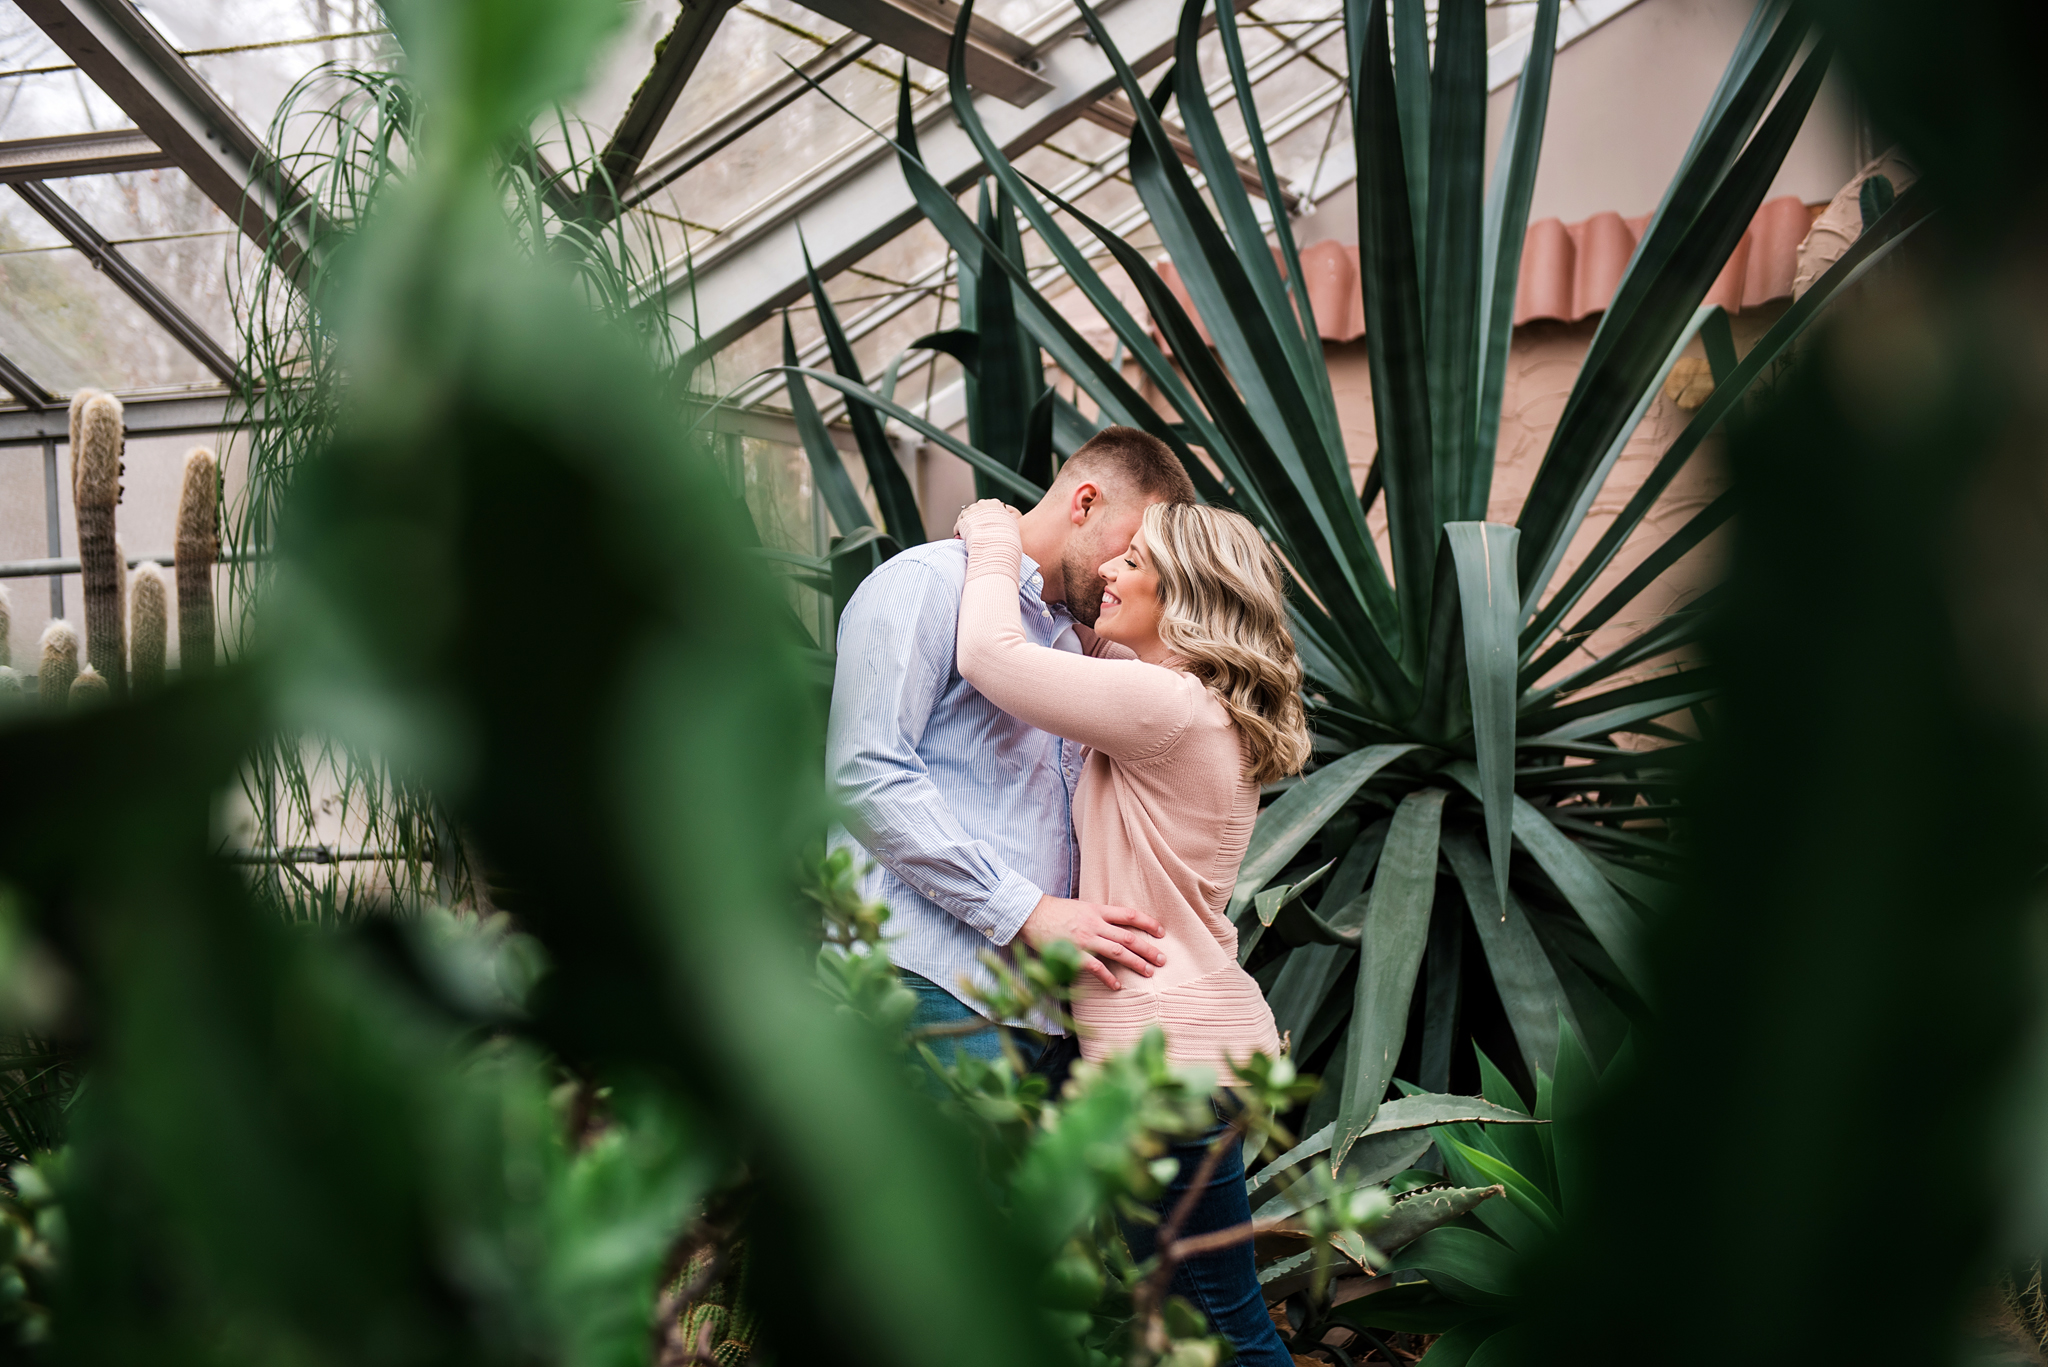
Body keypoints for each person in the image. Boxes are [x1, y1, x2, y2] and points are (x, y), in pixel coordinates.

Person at [951, 494, 1313, 1367]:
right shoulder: (1187, 705)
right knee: (1194, 1319)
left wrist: (994, 533)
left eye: (1134, 558)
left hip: (1173, 1064)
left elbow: (990, 656)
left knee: (1221, 1328)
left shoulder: (1169, 709)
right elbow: (1090, 637)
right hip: (1193, 1052)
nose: (1108, 567)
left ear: (1181, 591)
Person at [825, 427, 1199, 1066]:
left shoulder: (1079, 635)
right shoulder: (926, 583)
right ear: (1084, 503)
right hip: (924, 986)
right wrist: (1027, 912)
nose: (1126, 570)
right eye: (1132, 546)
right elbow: (867, 773)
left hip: (1045, 1015)